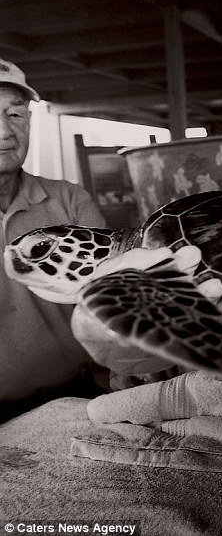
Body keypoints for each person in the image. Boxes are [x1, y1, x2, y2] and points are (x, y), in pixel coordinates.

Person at [0, 58, 107, 421]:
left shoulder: (70, 201)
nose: (4, 132)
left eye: (16, 115)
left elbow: (105, 297)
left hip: (74, 400)